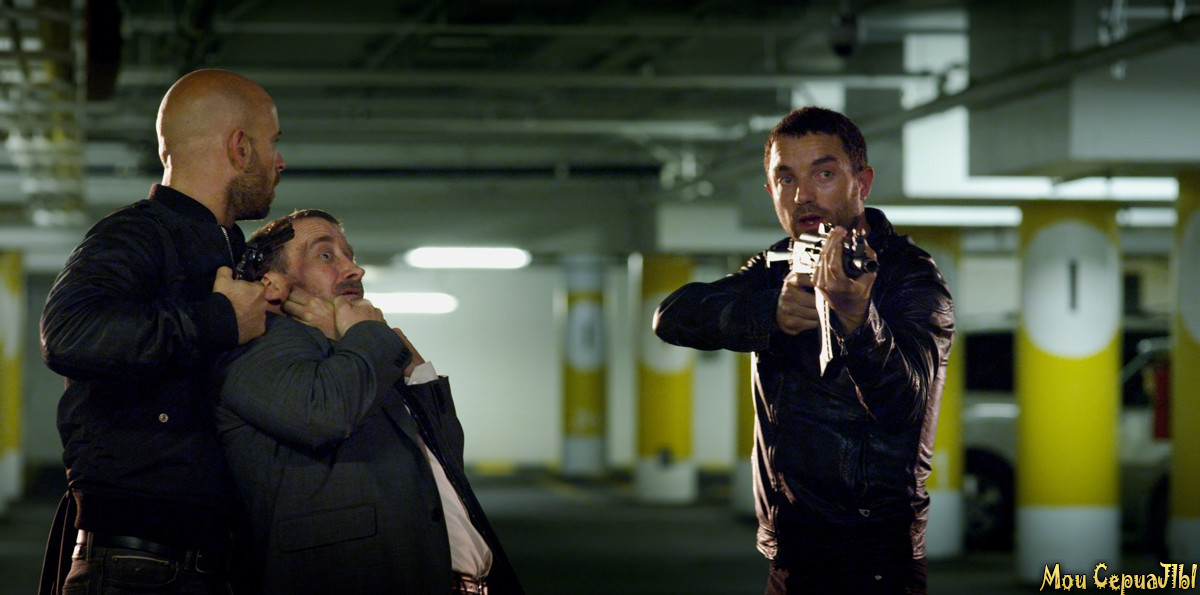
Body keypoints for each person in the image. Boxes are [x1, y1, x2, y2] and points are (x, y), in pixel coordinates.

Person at [652, 106, 954, 594]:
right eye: (786, 178)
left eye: (824, 174)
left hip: (873, 565)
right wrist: (769, 313)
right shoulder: (778, 266)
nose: (803, 195)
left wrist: (858, 321)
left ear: (862, 183)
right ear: (771, 191)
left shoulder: (909, 276)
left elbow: (905, 404)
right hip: (789, 557)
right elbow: (672, 316)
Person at [37, 68, 285, 595]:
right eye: (273, 143)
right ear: (240, 147)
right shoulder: (135, 234)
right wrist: (220, 320)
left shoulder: (229, 249)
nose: (280, 161)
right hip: (139, 568)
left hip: (199, 566)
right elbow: (68, 332)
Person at [213, 209, 524, 595]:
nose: (354, 269)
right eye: (325, 255)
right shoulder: (254, 349)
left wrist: (412, 366)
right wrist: (368, 332)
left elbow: (443, 459)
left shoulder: (355, 355)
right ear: (271, 283)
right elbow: (324, 415)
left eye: (351, 255)